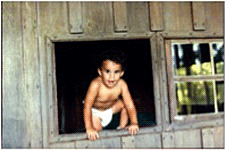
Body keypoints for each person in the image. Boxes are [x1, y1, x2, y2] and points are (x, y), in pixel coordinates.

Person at [83, 50, 139, 141]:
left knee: (124, 105)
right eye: (107, 71)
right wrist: (89, 128)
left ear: (121, 73)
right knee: (96, 133)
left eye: (116, 72)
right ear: (100, 72)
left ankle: (121, 128)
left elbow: (130, 105)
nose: (112, 77)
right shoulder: (96, 85)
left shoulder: (122, 84)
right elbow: (87, 106)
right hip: (95, 113)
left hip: (110, 109)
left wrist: (134, 122)